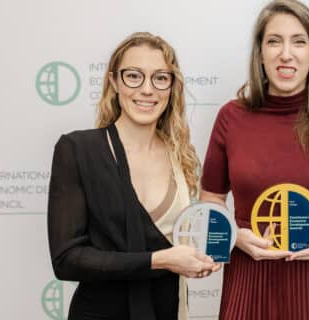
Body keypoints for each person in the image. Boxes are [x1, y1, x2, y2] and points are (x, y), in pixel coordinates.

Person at [199, 0, 309, 319]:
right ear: (260, 53)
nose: (285, 53)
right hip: (249, 279)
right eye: (274, 41)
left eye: (298, 41)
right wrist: (233, 235)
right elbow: (212, 196)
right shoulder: (231, 117)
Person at [47, 32, 219, 320]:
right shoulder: (78, 150)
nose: (147, 89)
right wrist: (161, 260)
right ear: (114, 81)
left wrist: (210, 252)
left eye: (160, 78)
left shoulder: (182, 156)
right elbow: (67, 260)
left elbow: (182, 239)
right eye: (134, 76)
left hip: (170, 310)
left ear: (171, 86)